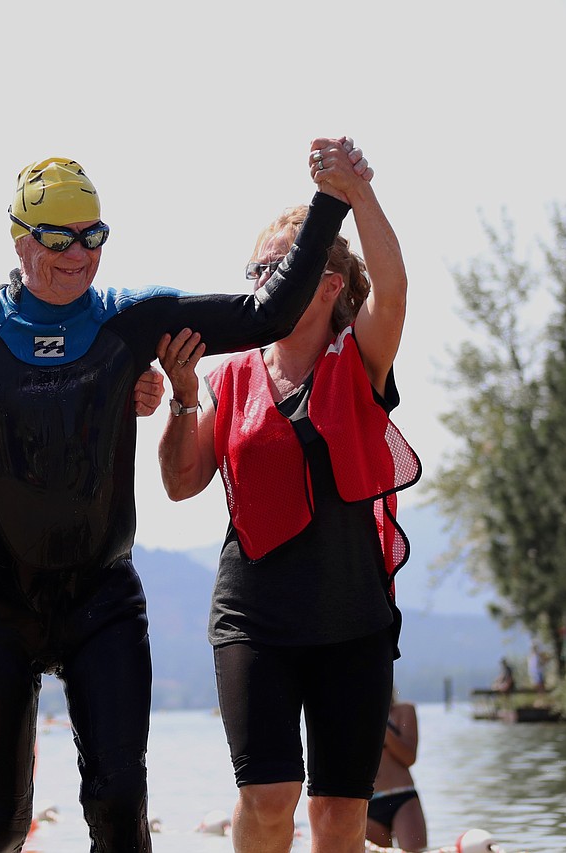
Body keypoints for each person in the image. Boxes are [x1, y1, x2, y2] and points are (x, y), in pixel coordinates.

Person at [0, 147, 355, 853]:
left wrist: (330, 200)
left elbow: (267, 314)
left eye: (93, 235)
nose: (79, 254)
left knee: (116, 806)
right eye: (59, 238)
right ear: (21, 240)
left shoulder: (129, 318)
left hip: (101, 601)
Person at [155, 138, 421, 853]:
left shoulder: (360, 357)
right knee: (269, 796)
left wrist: (357, 194)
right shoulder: (230, 373)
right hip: (255, 617)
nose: (262, 283)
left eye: (278, 268)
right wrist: (183, 396)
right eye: (257, 271)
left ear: (328, 284)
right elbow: (180, 484)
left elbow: (393, 291)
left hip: (353, 618)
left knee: (338, 817)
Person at [367, 693, 428, 852]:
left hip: (402, 798)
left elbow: (409, 758)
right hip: (368, 802)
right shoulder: (352, 715)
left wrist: (379, 722)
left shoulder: (405, 710)